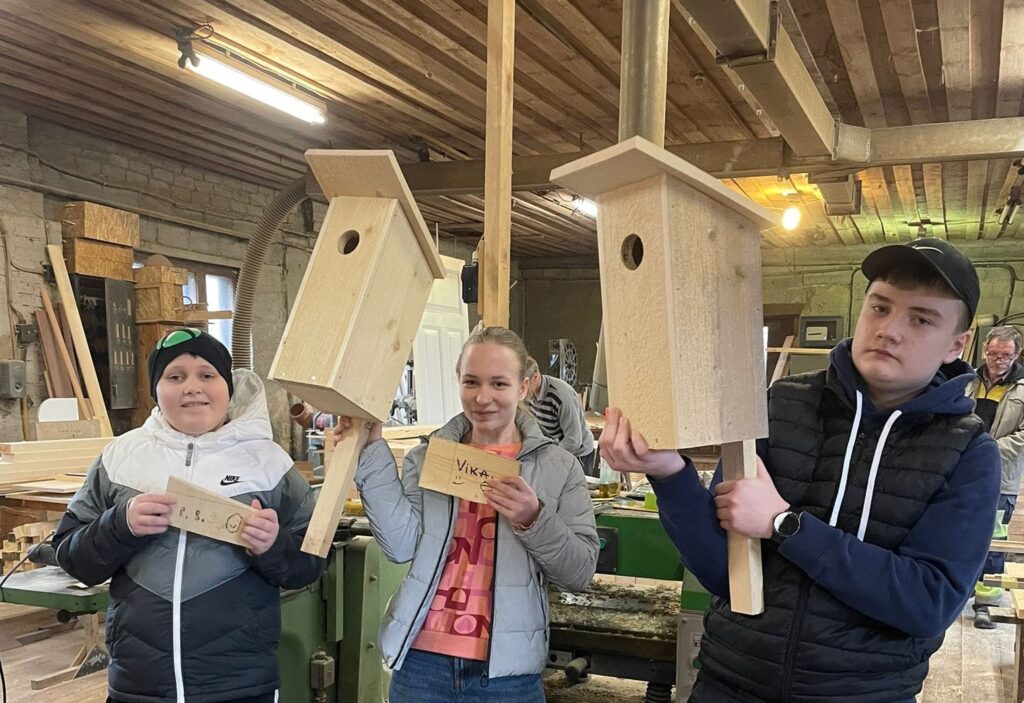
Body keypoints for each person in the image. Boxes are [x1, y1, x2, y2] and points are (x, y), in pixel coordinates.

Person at [599, 238, 1000, 702]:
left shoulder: (968, 452)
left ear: (956, 344)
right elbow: (722, 572)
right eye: (880, 307)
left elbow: (927, 604)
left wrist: (785, 524)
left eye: (921, 319)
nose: (889, 330)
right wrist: (669, 474)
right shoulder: (780, 404)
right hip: (729, 683)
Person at [53, 328, 326, 703]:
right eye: (175, 376)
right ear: (156, 389)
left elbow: (310, 563)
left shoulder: (268, 464)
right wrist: (120, 524)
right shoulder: (120, 459)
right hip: (140, 685)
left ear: (228, 387)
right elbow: (71, 557)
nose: (192, 387)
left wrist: (273, 546)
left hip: (239, 685)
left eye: (207, 375)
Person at [336, 326, 597, 703]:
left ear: (523, 387)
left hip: (507, 674)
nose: (482, 397)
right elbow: (401, 546)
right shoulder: (430, 458)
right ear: (458, 379)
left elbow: (579, 573)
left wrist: (534, 518)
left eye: (499, 384)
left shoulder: (559, 467)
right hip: (421, 662)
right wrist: (370, 452)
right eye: (471, 382)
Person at [969, 325, 1024, 628]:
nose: (998, 360)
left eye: (1006, 355)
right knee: (957, 532)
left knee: (993, 538)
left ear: (1017, 354)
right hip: (962, 472)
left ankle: (986, 603)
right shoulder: (967, 381)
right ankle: (958, 590)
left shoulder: (1022, 389)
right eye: (993, 354)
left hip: (1001, 477)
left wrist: (986, 450)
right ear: (984, 351)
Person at [524, 356, 596, 475]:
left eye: (525, 384)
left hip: (578, 454)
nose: (521, 389)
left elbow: (573, 441)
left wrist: (548, 458)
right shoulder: (527, 394)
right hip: (553, 448)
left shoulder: (561, 396)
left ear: (535, 377)